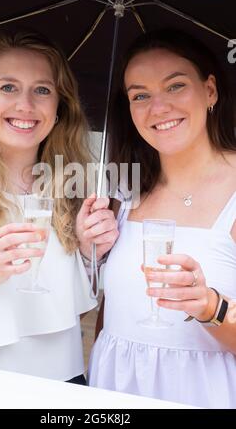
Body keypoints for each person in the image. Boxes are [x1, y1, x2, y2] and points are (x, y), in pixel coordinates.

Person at [0, 30, 118, 383]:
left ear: (59, 105)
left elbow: (78, 306)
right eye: (8, 87)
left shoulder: (78, 186)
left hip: (63, 385)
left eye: (42, 90)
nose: (26, 105)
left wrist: (86, 251)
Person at [88, 29, 236, 408]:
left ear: (211, 91)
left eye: (175, 86)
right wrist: (85, 250)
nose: (158, 108)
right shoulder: (122, 192)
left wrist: (211, 307)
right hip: (114, 390)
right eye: (140, 95)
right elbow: (111, 314)